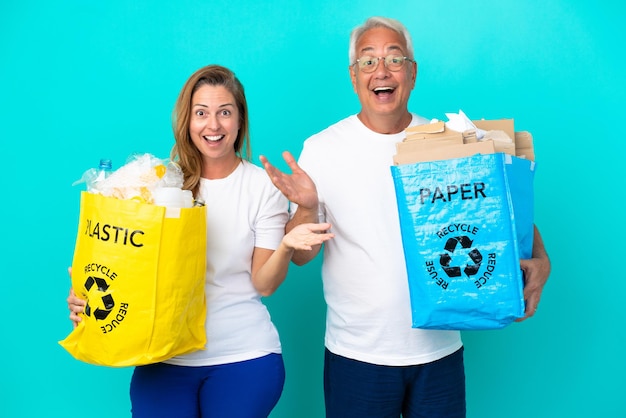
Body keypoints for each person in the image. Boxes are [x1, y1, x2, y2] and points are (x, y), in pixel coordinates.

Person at [260, 16, 551, 418]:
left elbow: (497, 211)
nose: (381, 70)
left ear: (412, 74)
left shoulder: (447, 142)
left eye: (395, 59)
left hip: (439, 349)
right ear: (353, 76)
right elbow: (301, 255)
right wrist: (307, 208)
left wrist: (541, 255)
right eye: (368, 61)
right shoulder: (322, 149)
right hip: (356, 354)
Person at [67, 64, 333, 418]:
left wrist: (285, 246)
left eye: (225, 112)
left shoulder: (261, 187)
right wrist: (90, 296)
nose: (213, 125)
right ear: (187, 121)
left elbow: (264, 284)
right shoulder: (157, 185)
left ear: (240, 121)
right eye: (201, 113)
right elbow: (131, 271)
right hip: (164, 354)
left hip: (243, 356)